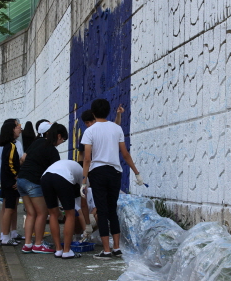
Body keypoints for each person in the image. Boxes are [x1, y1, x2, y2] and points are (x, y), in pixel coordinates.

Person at [80, 99, 143, 259]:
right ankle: (116, 247)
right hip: (115, 172)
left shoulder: (90, 131)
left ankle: (106, 250)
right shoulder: (117, 128)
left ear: (93, 113)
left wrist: (83, 180)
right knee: (112, 210)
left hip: (98, 173)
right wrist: (136, 172)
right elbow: (125, 154)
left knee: (101, 211)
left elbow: (87, 158)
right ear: (108, 111)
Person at [17, 122, 68, 254]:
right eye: (62, 139)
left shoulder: (37, 142)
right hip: (34, 182)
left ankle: (27, 244)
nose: (61, 142)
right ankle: (38, 244)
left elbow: (23, 158)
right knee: (42, 213)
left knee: (31, 213)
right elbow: (56, 172)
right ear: (58, 135)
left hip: (21, 179)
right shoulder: (52, 150)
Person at [41, 160, 88, 259]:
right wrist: (87, 225)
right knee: (70, 214)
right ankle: (67, 251)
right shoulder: (83, 174)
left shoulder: (69, 164)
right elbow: (83, 204)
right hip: (62, 178)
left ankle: (58, 249)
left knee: (53, 214)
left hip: (45, 177)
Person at [0, 119, 25, 243]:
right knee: (8, 209)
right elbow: (10, 164)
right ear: (11, 130)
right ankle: (5, 236)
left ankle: (8, 234)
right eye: (16, 127)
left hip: (8, 182)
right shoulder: (11, 146)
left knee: (11, 208)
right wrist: (16, 177)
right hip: (10, 183)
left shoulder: (9, 145)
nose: (19, 128)